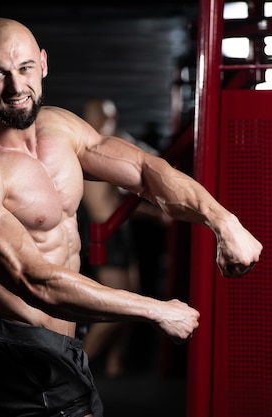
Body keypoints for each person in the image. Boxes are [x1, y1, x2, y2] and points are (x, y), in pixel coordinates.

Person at [0, 17, 262, 417]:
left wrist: (223, 221)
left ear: (44, 64)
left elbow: (146, 173)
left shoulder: (60, 129)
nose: (17, 88)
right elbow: (35, 281)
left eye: (26, 68)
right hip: (21, 357)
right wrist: (154, 309)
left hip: (64, 349)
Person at [79, 98, 168, 378]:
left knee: (132, 300)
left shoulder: (107, 145)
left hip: (120, 231)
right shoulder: (92, 151)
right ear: (95, 118)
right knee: (115, 306)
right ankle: (73, 367)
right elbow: (112, 207)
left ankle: (115, 367)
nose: (113, 121)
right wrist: (156, 213)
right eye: (107, 116)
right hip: (106, 235)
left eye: (114, 115)